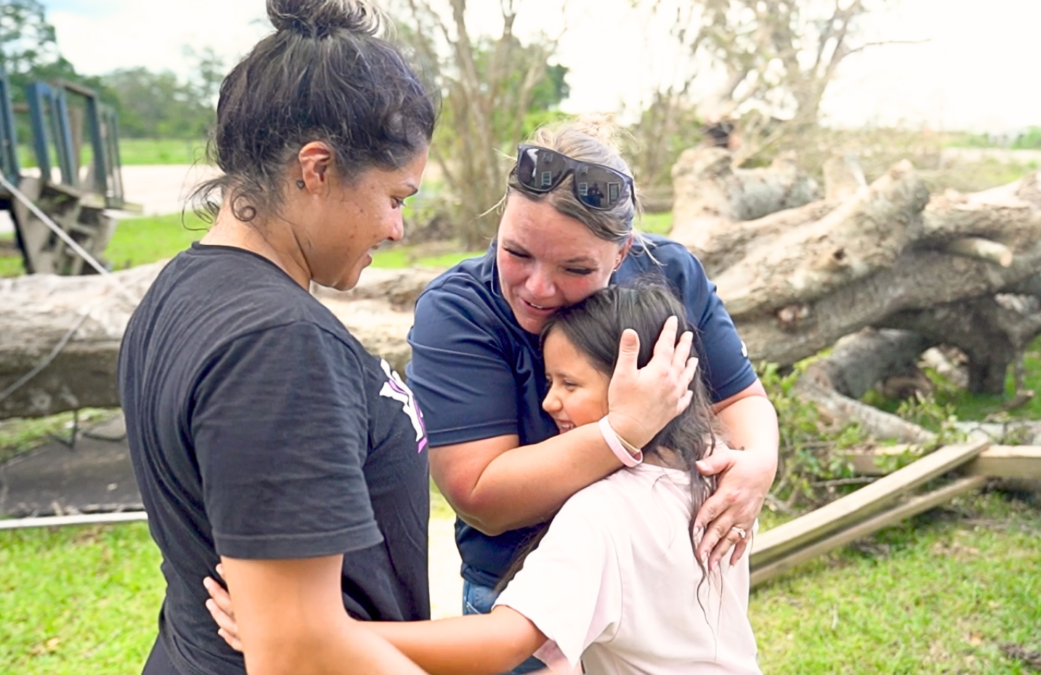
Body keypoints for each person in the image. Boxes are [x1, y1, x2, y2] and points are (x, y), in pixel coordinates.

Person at [206, 283, 762, 673]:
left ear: (638, 380)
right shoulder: (717, 472)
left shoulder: (603, 511)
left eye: (569, 384)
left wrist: (312, 639)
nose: (549, 403)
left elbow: (500, 644)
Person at [116, 1, 438, 674]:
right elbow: (298, 649)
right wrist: (300, 631)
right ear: (315, 168)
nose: (397, 229)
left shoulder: (183, 287)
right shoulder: (276, 343)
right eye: (396, 198)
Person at [404, 119, 780, 673]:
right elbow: (479, 494)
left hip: (656, 577)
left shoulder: (668, 273)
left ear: (624, 251)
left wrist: (758, 465)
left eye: (575, 268)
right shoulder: (459, 312)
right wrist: (623, 431)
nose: (537, 287)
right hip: (520, 586)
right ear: (500, 219)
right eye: (517, 252)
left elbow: (741, 399)